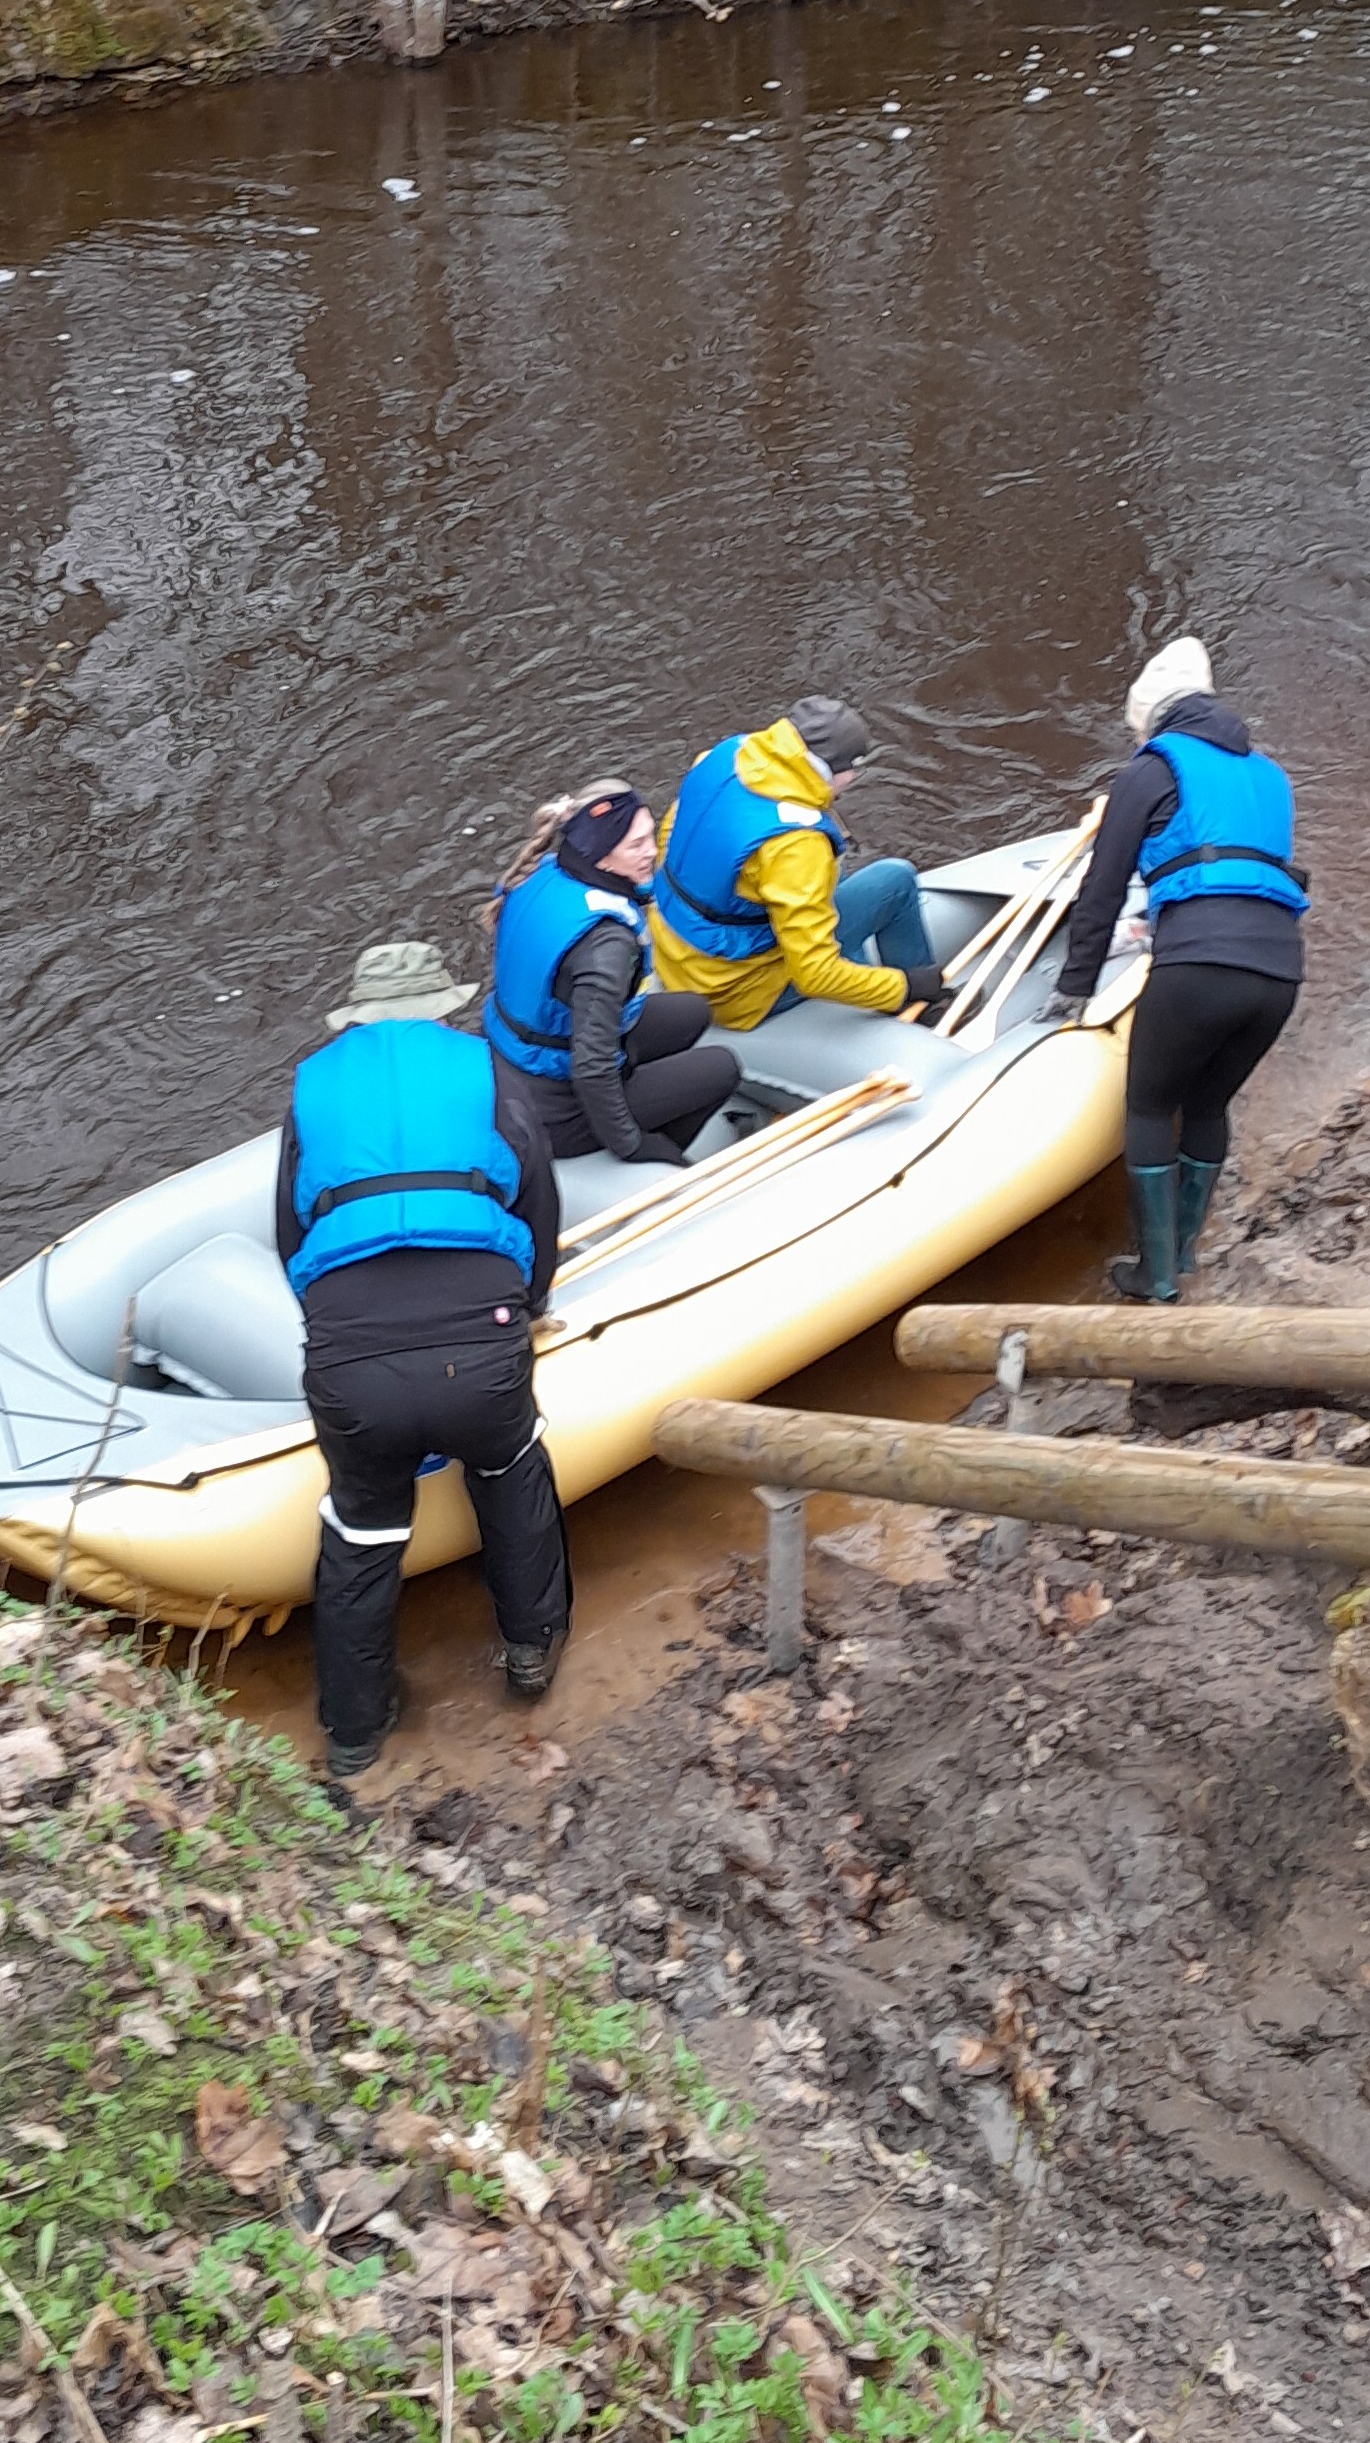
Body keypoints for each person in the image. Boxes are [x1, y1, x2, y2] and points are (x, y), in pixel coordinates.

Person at [276, 940, 572, 1779]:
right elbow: (538, 1192)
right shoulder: (485, 1069)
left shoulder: (312, 1087)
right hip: (479, 1335)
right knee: (511, 1471)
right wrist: (532, 1300)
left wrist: (333, 1330)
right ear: (444, 1006)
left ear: (357, 1018)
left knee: (361, 1526)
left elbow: (291, 1233)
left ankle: (354, 1734)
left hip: (351, 1355)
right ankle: (529, 1653)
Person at [1044, 638, 1305, 1303]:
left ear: (1153, 720)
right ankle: (1186, 1250)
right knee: (1209, 1102)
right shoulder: (1270, 774)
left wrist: (1074, 988)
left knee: (1151, 1106)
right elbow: (1239, 869)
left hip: (1199, 967)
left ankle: (1153, 1276)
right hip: (1280, 971)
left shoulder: (1148, 771)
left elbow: (1102, 888)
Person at [644, 696, 948, 1032]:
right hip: (737, 993)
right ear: (838, 769)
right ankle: (925, 1010)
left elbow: (672, 834)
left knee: (833, 873)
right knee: (896, 880)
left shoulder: (724, 756)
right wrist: (905, 985)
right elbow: (815, 975)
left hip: (676, 957)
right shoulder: (797, 845)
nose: (853, 778)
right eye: (852, 770)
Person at [483, 782, 744, 1164]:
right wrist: (632, 1143)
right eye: (636, 845)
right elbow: (591, 1068)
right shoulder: (606, 948)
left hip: (520, 1061)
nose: (652, 852)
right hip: (555, 1109)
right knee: (723, 1067)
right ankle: (665, 1156)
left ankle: (649, 1099)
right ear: (603, 858)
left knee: (693, 1012)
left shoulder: (541, 875)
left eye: (650, 837)